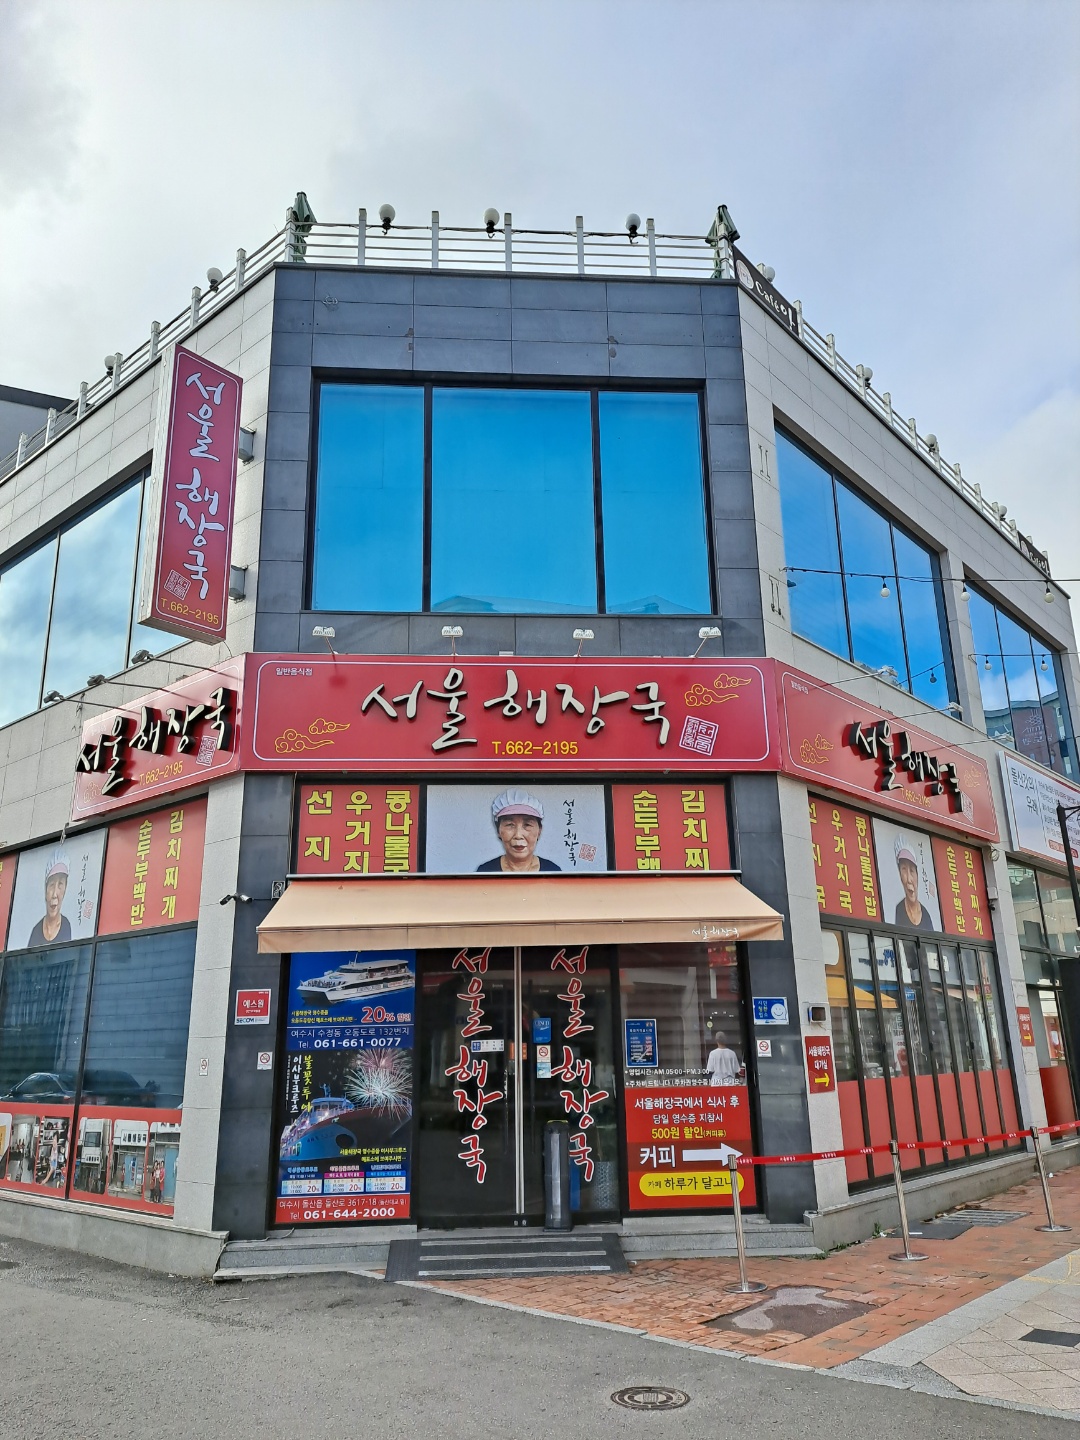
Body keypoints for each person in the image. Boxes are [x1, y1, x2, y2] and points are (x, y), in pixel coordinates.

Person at [476, 790, 562, 873]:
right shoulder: (485, 871)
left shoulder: (552, 871)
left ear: (539, 831)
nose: (518, 835)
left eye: (527, 825)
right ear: (498, 830)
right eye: (510, 825)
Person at [27, 852, 72, 947]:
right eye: (51, 885)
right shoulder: (36, 932)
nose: (54, 894)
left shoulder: (67, 927)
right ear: (45, 890)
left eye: (60, 884)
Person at [892, 845, 934, 931]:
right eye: (904, 869)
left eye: (911, 870)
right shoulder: (899, 910)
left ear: (917, 875)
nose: (909, 879)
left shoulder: (926, 916)